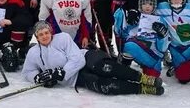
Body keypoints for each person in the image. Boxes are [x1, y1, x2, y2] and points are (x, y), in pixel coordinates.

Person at [22, 21, 163, 95]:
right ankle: (141, 89)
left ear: (50, 32)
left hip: (86, 59)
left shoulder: (62, 38)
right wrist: (37, 78)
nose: (44, 36)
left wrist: (62, 73)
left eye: (46, 32)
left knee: (106, 68)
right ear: (37, 37)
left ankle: (143, 78)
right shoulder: (34, 52)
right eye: (40, 35)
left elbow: (77, 59)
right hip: (74, 78)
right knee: (104, 86)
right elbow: (28, 71)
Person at [114, 0, 170, 77]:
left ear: (154, 5)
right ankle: (124, 68)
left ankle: (148, 67)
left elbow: (163, 48)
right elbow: (123, 35)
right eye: (144, 4)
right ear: (140, 5)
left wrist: (162, 36)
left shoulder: (160, 20)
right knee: (129, 45)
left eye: (150, 4)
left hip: (153, 55)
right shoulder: (136, 19)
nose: (147, 6)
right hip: (139, 52)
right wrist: (120, 20)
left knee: (153, 76)